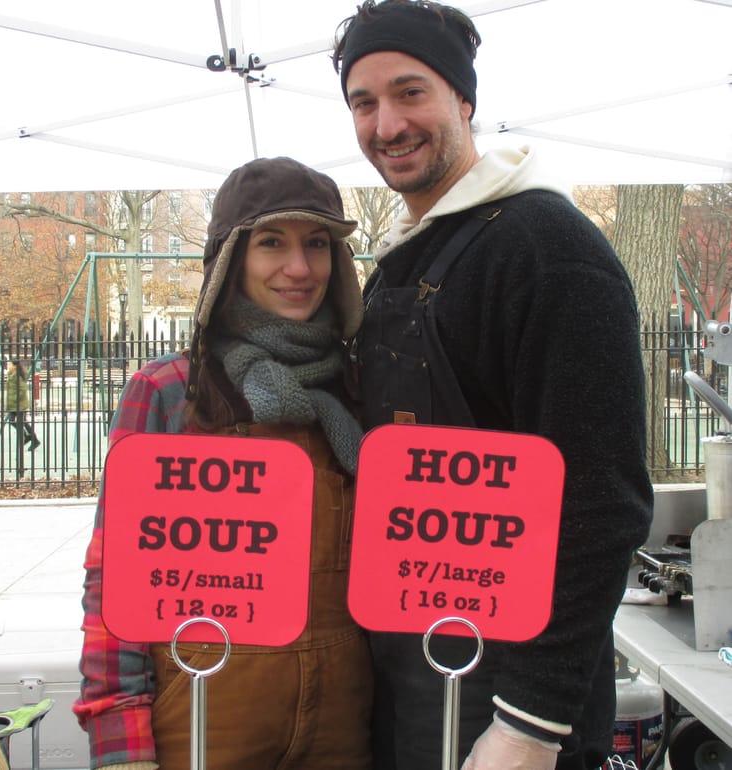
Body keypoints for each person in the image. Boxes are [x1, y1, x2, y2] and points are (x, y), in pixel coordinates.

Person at [332, 2, 654, 769]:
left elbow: (603, 504)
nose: (387, 125)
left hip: (509, 700)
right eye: (363, 102)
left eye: (411, 92)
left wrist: (529, 725)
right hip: (410, 674)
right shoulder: (409, 255)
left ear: (464, 100)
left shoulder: (546, 250)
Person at [73, 156, 373, 770]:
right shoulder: (168, 393)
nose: (299, 268)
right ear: (231, 259)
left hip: (345, 729)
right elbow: (113, 581)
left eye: (317, 244)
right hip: (203, 719)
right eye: (272, 243)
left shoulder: (360, 393)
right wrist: (120, 741)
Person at [5, 358, 40, 451]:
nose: (7, 366)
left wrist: (15, 399)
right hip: (13, 405)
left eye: (9, 364)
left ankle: (34, 439)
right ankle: (27, 436)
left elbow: (23, 389)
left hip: (19, 404)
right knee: (13, 421)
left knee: (22, 422)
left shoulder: (17, 376)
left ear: (14, 366)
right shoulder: (11, 375)